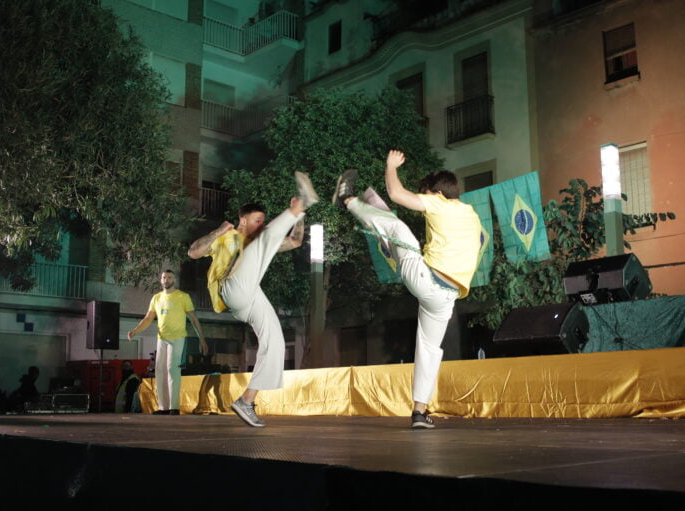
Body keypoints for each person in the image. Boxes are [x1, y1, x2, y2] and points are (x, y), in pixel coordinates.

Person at [333, 150, 482, 429]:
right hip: (446, 298)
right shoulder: (470, 213)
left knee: (399, 228)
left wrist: (391, 166)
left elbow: (397, 193)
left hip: (426, 279)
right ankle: (419, 412)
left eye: (423, 194)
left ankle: (347, 199)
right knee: (429, 349)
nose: (421, 199)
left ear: (435, 193)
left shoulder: (439, 203)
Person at [187, 172, 318, 427]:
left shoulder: (260, 241)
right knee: (262, 242)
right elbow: (193, 252)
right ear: (242, 220)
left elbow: (295, 241)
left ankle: (246, 400)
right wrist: (218, 230)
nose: (260, 225)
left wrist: (299, 217)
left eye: (263, 222)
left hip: (249, 296)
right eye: (257, 221)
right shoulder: (227, 237)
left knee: (276, 342)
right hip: (231, 289)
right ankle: (301, 205)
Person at [128, 270, 207, 415]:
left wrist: (201, 339)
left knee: (172, 370)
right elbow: (148, 318)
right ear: (161, 280)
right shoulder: (156, 298)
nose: (166, 280)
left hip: (177, 338)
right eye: (164, 277)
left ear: (174, 280)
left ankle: (174, 407)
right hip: (161, 338)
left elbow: (194, 319)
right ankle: (163, 407)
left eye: (169, 277)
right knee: (160, 372)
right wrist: (135, 330)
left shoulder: (183, 297)